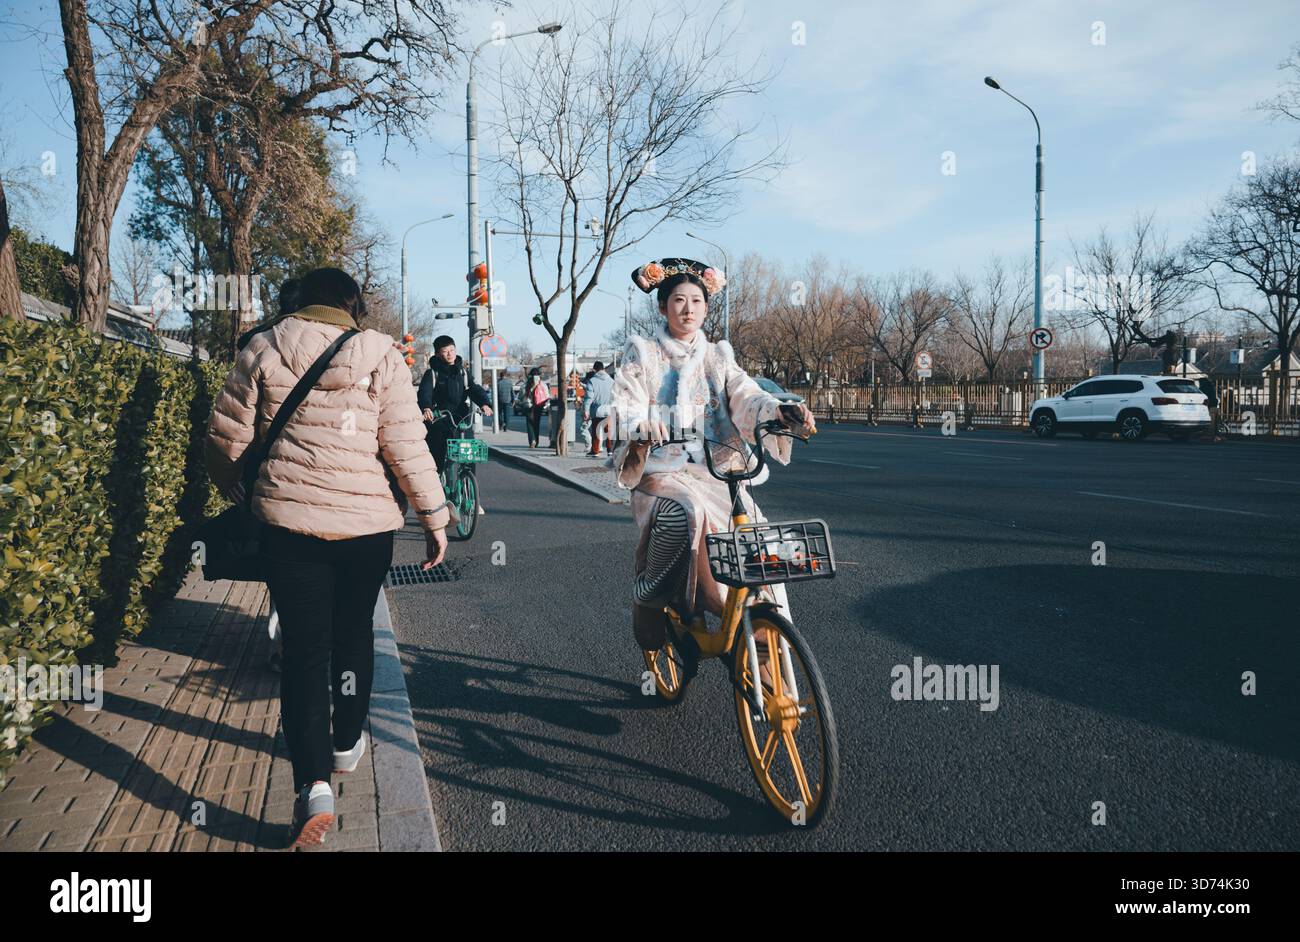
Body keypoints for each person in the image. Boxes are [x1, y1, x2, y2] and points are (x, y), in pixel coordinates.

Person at [204, 266, 452, 849]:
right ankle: (345, 744)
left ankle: (312, 783)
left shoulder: (262, 347)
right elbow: (405, 445)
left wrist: (231, 487)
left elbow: (224, 438)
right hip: (367, 531)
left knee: (304, 651)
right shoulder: (382, 355)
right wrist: (434, 519)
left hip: (290, 528)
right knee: (352, 636)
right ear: (352, 307)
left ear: (296, 301)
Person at [610, 257, 815, 655]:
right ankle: (649, 595)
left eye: (697, 301)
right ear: (662, 306)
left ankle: (767, 627)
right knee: (683, 512)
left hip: (718, 471)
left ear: (707, 307)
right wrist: (640, 424)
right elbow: (625, 403)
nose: (688, 310)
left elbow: (745, 394)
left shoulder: (719, 356)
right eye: (679, 301)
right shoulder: (643, 352)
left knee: (757, 538)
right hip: (662, 471)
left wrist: (777, 411)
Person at [418, 336, 493, 473]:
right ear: (437, 354)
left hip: (461, 418)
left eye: (452, 350)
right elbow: (425, 392)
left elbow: (473, 389)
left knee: (469, 456)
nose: (450, 354)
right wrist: (426, 407)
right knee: (437, 458)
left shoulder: (462, 372)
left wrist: (484, 403)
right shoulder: (432, 373)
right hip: (440, 419)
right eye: (445, 351)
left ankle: (467, 480)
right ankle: (438, 485)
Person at [585, 360, 614, 456]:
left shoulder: (592, 381)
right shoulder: (611, 381)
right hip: (609, 409)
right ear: (603, 369)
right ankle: (610, 450)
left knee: (596, 430)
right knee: (609, 430)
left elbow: (589, 397)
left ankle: (595, 451)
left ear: (595, 369)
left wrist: (586, 410)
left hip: (596, 410)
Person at [524, 368, 548, 447]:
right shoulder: (543, 384)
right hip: (539, 405)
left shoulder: (528, 384)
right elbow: (547, 396)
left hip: (529, 406)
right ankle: (536, 441)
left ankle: (532, 441)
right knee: (536, 423)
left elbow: (523, 395)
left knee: (529, 424)